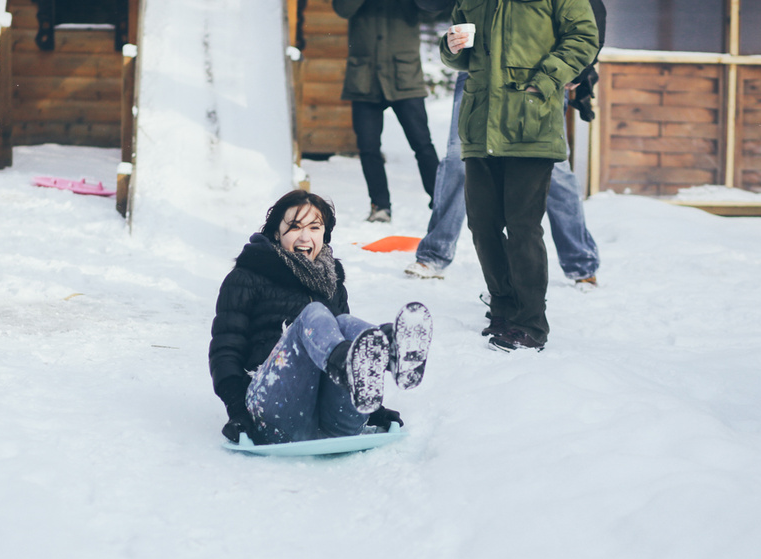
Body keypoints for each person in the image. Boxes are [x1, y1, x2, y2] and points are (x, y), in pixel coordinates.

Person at [209, 190, 433, 445]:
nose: (305, 237)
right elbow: (225, 352)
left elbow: (344, 337)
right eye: (294, 227)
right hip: (275, 415)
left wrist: (374, 411)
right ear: (276, 233)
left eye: (314, 227)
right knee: (314, 314)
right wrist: (237, 413)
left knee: (343, 323)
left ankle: (390, 349)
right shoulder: (246, 277)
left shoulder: (331, 281)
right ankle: (358, 355)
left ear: (323, 235)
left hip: (333, 421)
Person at [440, 1, 599, 352]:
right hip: (481, 125)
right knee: (482, 224)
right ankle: (503, 308)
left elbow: (585, 36)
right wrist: (450, 48)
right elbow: (459, 55)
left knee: (523, 226)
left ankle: (530, 323)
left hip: (532, 125)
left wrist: (544, 81)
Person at [404, 71, 600, 285]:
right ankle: (434, 254)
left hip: (539, 71)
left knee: (555, 169)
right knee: (458, 160)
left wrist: (581, 67)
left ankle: (581, 263)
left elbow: (588, 37)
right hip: (478, 72)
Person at [333, 0, 440, 223]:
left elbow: (434, 7)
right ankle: (380, 206)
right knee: (368, 148)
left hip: (405, 76)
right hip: (365, 78)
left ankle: (440, 202)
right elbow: (342, 9)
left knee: (422, 144)